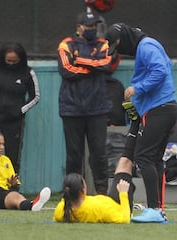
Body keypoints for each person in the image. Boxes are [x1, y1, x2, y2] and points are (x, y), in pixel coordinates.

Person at [106, 23, 177, 223]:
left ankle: (154, 208)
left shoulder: (145, 47)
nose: (119, 50)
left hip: (159, 109)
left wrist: (137, 88)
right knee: (154, 160)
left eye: (118, 45)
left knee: (144, 157)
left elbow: (160, 71)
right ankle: (158, 209)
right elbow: (165, 68)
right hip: (163, 108)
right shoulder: (147, 45)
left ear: (125, 38)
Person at [57, 10, 119, 194]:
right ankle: (73, 193)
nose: (92, 29)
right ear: (79, 27)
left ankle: (102, 193)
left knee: (99, 154)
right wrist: (92, 66)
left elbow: (106, 64)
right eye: (89, 26)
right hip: (71, 108)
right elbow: (66, 70)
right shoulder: (66, 44)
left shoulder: (102, 44)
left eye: (94, 26)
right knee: (74, 155)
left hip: (97, 109)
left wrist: (80, 61)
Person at [0, 108, 50, 211]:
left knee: (14, 196)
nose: (2, 147)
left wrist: (13, 185)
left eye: (3, 144)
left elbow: (14, 186)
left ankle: (30, 206)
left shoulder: (6, 160)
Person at [0, 42, 40, 174]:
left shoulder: (28, 73)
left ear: (21, 59)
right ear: (3, 58)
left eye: (15, 61)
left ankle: (13, 190)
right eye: (8, 61)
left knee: (13, 157)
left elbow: (35, 97)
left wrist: (19, 111)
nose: (11, 63)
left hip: (14, 122)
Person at [53, 150, 136, 223]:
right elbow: (125, 219)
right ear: (83, 191)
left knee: (124, 161)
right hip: (119, 205)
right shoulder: (99, 209)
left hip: (107, 202)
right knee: (125, 163)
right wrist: (123, 193)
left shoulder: (61, 209)